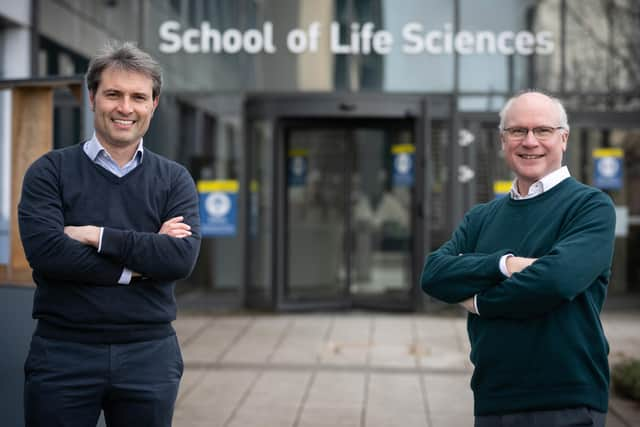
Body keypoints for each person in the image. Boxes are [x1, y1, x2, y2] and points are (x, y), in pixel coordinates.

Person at [19, 41, 201, 427]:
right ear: (92, 98)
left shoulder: (174, 180)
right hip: (63, 353)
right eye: (113, 94)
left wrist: (96, 236)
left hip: (148, 355)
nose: (125, 108)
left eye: (138, 97)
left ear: (153, 104)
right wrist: (138, 262)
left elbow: (179, 259)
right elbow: (48, 253)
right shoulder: (49, 171)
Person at [421, 91, 615, 427]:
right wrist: (504, 265)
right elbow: (434, 274)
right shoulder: (481, 217)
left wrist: (479, 300)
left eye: (542, 130)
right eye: (517, 131)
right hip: (493, 396)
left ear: (563, 138)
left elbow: (556, 281)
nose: (529, 142)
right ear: (503, 140)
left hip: (566, 399)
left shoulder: (590, 207)